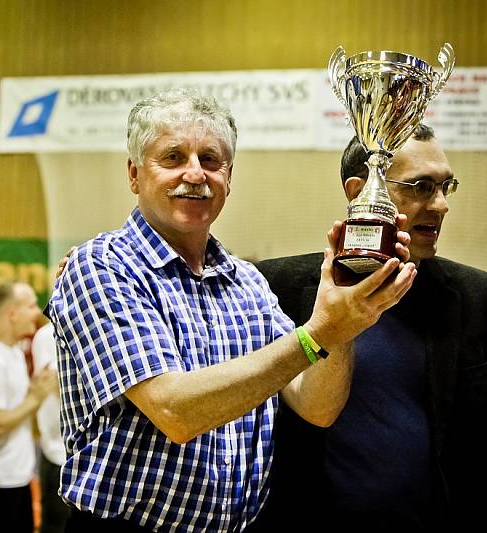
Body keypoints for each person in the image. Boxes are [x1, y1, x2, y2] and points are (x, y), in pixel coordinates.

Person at [46, 88, 417, 532]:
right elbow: (175, 412)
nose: (194, 174)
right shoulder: (102, 266)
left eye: (210, 159)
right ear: (133, 173)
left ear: (229, 177)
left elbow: (316, 406)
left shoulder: (247, 282)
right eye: (172, 158)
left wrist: (341, 323)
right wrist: (317, 334)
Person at [255, 125, 487, 532]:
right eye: (422, 187)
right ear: (359, 192)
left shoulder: (484, 300)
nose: (440, 205)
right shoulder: (275, 288)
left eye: (446, 187)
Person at [0, 280, 58, 532]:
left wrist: (32, 392)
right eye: (30, 305)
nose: (38, 312)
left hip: (14, 477)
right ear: (12, 314)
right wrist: (36, 398)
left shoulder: (13, 353)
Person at [31, 321, 71, 533]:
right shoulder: (47, 336)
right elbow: (59, 386)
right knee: (55, 525)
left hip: (90, 454)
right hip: (58, 453)